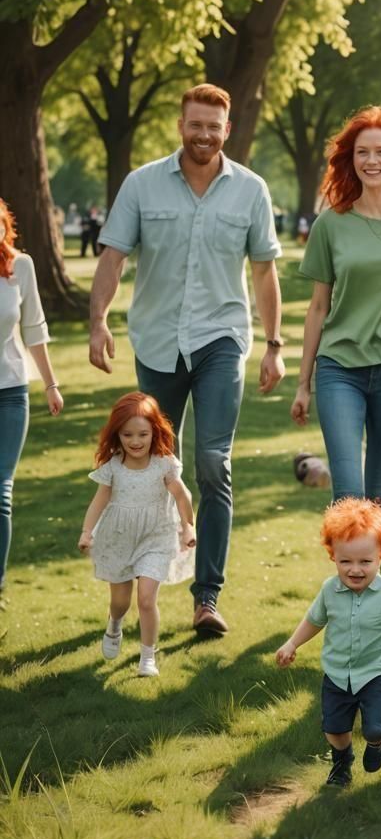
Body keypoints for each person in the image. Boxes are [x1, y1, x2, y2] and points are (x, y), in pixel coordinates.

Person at [88, 83, 285, 636]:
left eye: (213, 126)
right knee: (147, 468)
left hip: (221, 338)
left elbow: (265, 269)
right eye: (195, 124)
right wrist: (98, 318)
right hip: (155, 342)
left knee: (212, 462)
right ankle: (131, 588)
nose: (204, 134)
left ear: (227, 129)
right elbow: (113, 255)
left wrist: (273, 344)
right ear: (182, 124)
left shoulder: (250, 190)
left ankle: (207, 596)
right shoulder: (143, 184)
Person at [291, 107, 381, 518]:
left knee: (379, 493)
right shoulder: (331, 224)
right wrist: (304, 383)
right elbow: (318, 307)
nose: (371, 161)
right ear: (350, 159)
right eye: (362, 152)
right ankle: (348, 583)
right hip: (340, 367)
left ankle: (375, 584)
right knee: (348, 493)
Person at [275, 498, 381, 787]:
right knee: (334, 728)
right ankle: (342, 762)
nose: (355, 570)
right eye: (345, 561)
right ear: (332, 556)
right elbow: (314, 620)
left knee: (373, 727)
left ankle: (377, 743)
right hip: (337, 674)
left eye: (365, 562)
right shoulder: (330, 590)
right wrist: (291, 645)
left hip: (376, 673)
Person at [78, 393, 196, 676]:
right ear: (116, 434)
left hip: (156, 537)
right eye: (127, 434)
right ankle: (115, 624)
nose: (135, 441)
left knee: (145, 599)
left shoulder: (164, 463)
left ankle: (147, 657)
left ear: (154, 431)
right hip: (118, 537)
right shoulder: (114, 466)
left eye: (142, 434)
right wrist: (86, 532)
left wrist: (188, 525)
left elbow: (182, 495)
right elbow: (99, 502)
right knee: (121, 603)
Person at [0, 198, 63, 602]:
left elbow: (34, 327)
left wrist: (51, 384)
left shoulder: (19, 266)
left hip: (10, 391)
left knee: (0, 492)